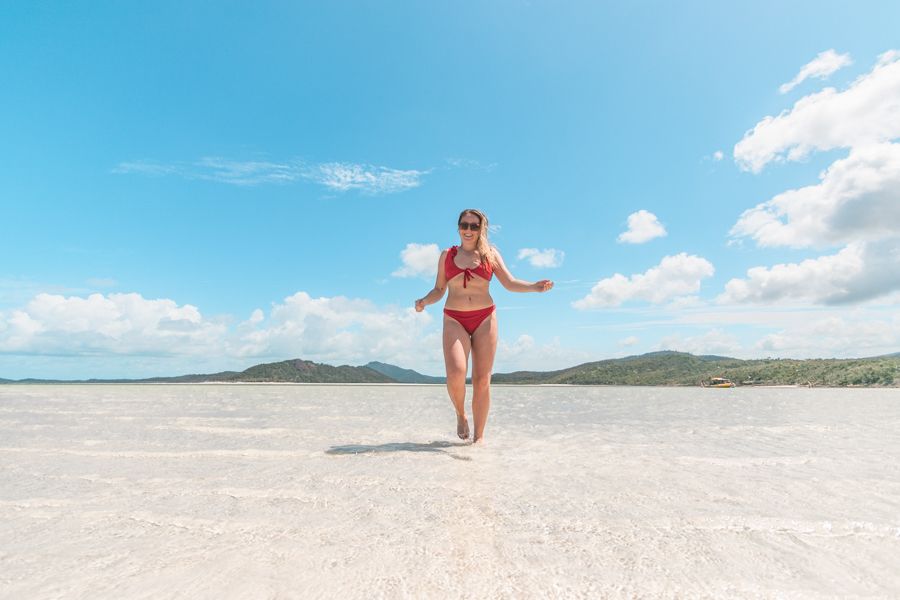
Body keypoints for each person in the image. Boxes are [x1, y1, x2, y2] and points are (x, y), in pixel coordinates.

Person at [415, 209, 553, 444]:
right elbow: (439, 289)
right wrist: (424, 301)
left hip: (485, 318)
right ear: (458, 227)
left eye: (474, 226)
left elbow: (509, 283)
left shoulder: (490, 254)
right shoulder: (447, 255)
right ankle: (460, 414)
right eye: (464, 225)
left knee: (481, 380)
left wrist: (534, 287)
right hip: (454, 318)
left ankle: (479, 439)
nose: (468, 230)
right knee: (456, 373)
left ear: (481, 229)